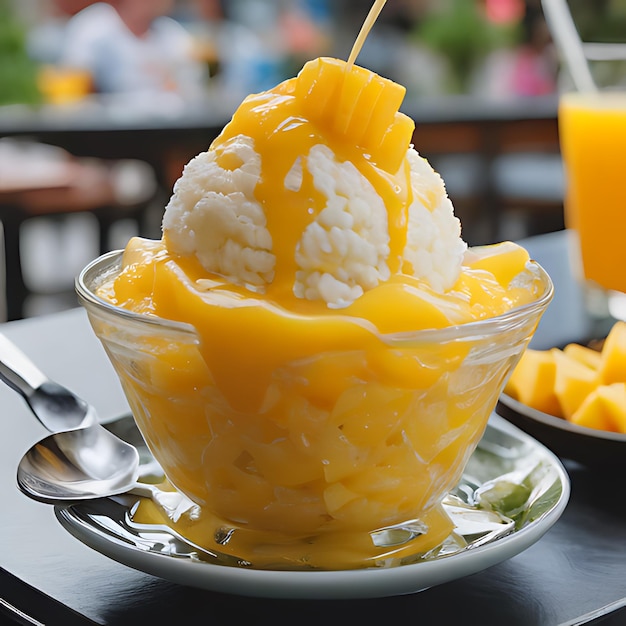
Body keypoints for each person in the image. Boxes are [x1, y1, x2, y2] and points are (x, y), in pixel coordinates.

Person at [58, 0, 207, 98]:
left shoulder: (170, 32)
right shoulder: (92, 27)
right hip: (107, 133)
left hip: (164, 130)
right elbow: (76, 86)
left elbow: (192, 85)